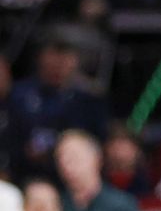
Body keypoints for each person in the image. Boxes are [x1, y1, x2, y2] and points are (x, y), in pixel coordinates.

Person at [6, 32, 110, 181]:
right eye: (53, 58)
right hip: (24, 173)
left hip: (72, 177)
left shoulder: (88, 99)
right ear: (40, 59)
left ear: (75, 62)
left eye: (65, 59)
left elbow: (98, 140)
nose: (58, 65)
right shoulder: (19, 94)